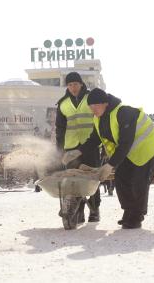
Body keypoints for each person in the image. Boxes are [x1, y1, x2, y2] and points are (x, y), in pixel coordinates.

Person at [63, 88, 154, 229]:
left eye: (95, 106)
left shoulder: (124, 112)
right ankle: (128, 212)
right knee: (121, 179)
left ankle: (136, 217)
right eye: (90, 107)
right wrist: (77, 151)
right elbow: (94, 140)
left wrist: (109, 165)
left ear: (105, 103)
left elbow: (125, 142)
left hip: (147, 148)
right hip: (128, 152)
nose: (93, 110)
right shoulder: (99, 119)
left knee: (138, 181)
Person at [56, 72, 101, 222]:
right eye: (70, 85)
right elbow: (60, 129)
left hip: (90, 144)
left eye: (75, 84)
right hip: (71, 147)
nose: (73, 87)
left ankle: (94, 209)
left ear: (81, 84)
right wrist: (59, 150)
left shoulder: (91, 98)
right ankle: (78, 210)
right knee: (74, 180)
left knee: (93, 177)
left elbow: (99, 119)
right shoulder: (62, 103)